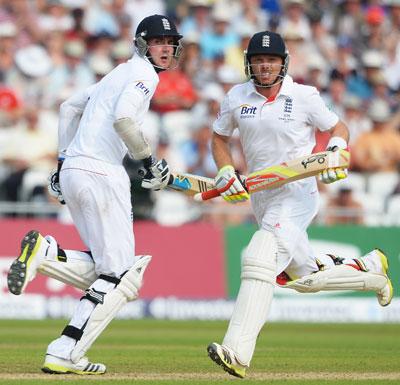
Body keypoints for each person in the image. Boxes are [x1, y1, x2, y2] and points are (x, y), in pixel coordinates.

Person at [206, 30, 393, 379]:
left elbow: (339, 126)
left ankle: (237, 351)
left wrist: (336, 148)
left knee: (259, 255)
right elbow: (219, 137)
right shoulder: (236, 97)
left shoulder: (304, 95)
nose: (264, 66)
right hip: (260, 194)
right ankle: (372, 272)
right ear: (249, 63)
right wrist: (226, 169)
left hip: (297, 192)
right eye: (259, 60)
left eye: (271, 60)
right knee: (301, 278)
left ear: (283, 63)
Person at [7, 14, 183, 375]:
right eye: (157, 41)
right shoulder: (143, 74)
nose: (165, 48)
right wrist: (148, 161)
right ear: (141, 44)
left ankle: (49, 264)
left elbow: (68, 108)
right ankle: (64, 349)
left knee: (111, 272)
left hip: (74, 169)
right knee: (123, 275)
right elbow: (124, 119)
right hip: (102, 172)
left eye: (170, 42)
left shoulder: (117, 72)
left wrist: (61, 161)